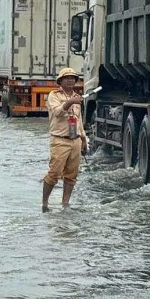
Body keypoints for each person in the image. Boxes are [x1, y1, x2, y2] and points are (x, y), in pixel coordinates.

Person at [42, 67, 87, 212]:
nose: (70, 80)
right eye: (66, 78)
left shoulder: (77, 97)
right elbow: (57, 112)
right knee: (54, 173)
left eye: (72, 78)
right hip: (59, 140)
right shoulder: (53, 95)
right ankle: (44, 203)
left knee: (71, 175)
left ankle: (65, 204)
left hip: (75, 140)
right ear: (60, 81)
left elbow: (79, 121)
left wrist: (84, 139)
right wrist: (69, 103)